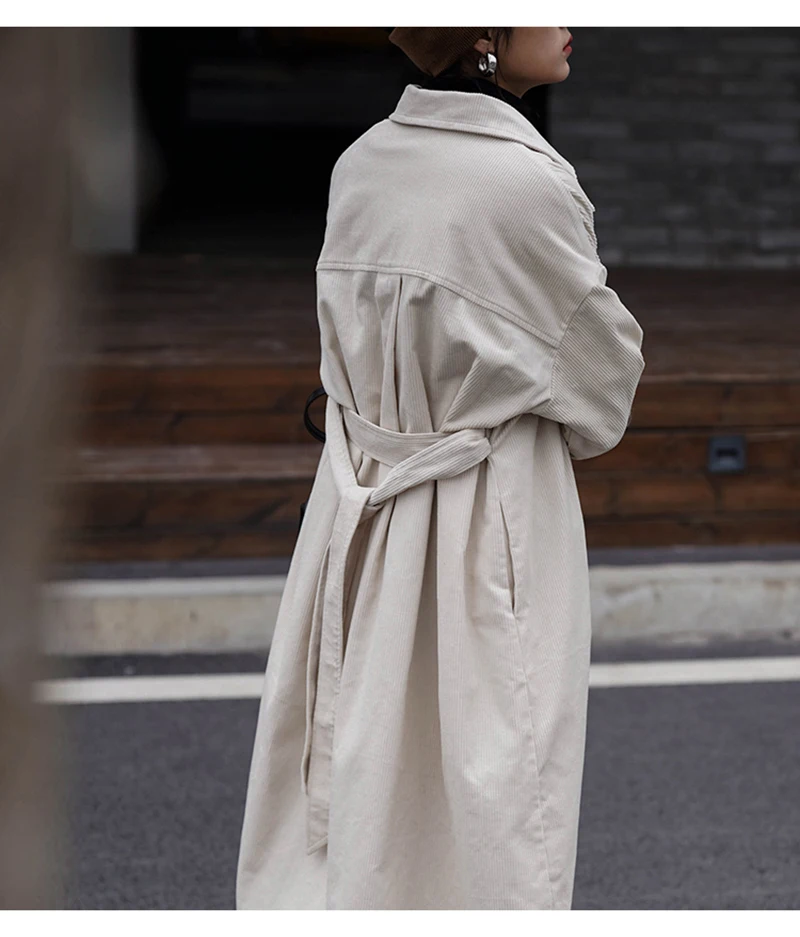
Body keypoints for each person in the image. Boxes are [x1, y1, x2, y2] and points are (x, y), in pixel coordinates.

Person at [237, 27, 645, 910]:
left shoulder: (361, 164)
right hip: (485, 510)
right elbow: (605, 381)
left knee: (361, 757)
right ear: (485, 34)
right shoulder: (526, 186)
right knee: (494, 780)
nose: (568, 19)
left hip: (355, 502)